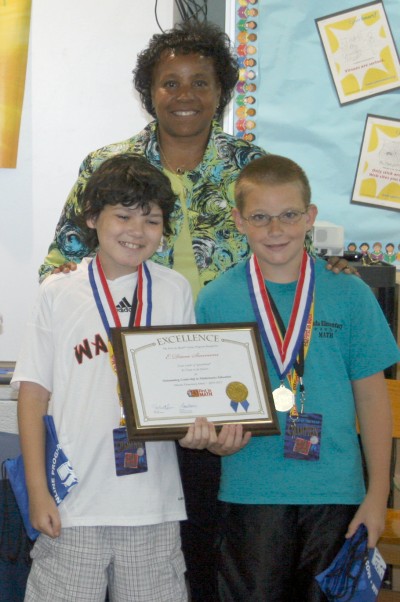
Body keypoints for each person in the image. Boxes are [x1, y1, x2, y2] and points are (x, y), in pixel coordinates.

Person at [37, 21, 354, 600]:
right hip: (125, 393)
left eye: (201, 82)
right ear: (149, 91)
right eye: (170, 83)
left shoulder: (251, 163)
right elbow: (61, 266)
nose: (185, 95)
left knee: (209, 547)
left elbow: (285, 247)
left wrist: (331, 265)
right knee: (141, 541)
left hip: (232, 382)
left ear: (222, 91)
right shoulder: (110, 164)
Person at [13, 154, 249, 602]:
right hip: (73, 504)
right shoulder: (59, 291)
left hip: (153, 506)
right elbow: (32, 394)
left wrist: (203, 430)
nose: (136, 231)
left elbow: (186, 388)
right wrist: (39, 492)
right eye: (123, 215)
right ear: (91, 217)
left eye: (152, 220)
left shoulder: (173, 289)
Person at [195, 155, 400, 601]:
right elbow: (204, 402)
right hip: (250, 493)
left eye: (289, 215)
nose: (276, 230)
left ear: (310, 217)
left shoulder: (349, 293)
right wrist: (214, 439)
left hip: (337, 494)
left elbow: (373, 400)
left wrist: (377, 495)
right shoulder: (215, 301)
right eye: (261, 217)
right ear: (239, 221)